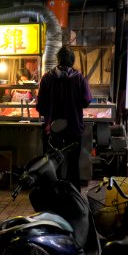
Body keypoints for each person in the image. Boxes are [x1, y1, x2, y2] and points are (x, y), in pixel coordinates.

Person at [36, 46, 92, 191]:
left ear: (58, 59)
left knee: (54, 161)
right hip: (74, 127)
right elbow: (86, 101)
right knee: (73, 162)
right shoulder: (79, 77)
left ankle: (54, 192)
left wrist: (51, 112)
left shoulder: (47, 77)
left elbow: (40, 106)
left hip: (53, 129)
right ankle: (73, 192)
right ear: (72, 61)